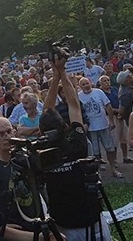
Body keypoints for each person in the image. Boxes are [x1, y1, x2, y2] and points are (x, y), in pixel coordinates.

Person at [41, 54, 112, 241]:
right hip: (91, 217)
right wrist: (62, 73)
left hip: (64, 225)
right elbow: (74, 105)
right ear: (65, 127)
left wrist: (56, 77)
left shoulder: (42, 151)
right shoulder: (77, 143)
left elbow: (46, 111)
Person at [77, 77, 122, 178]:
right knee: (95, 152)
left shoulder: (99, 92)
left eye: (87, 83)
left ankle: (113, 169)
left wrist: (110, 121)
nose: (86, 86)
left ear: (91, 83)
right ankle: (98, 173)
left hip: (103, 125)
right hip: (91, 128)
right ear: (80, 87)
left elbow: (108, 106)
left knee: (109, 148)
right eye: (83, 84)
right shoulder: (78, 97)